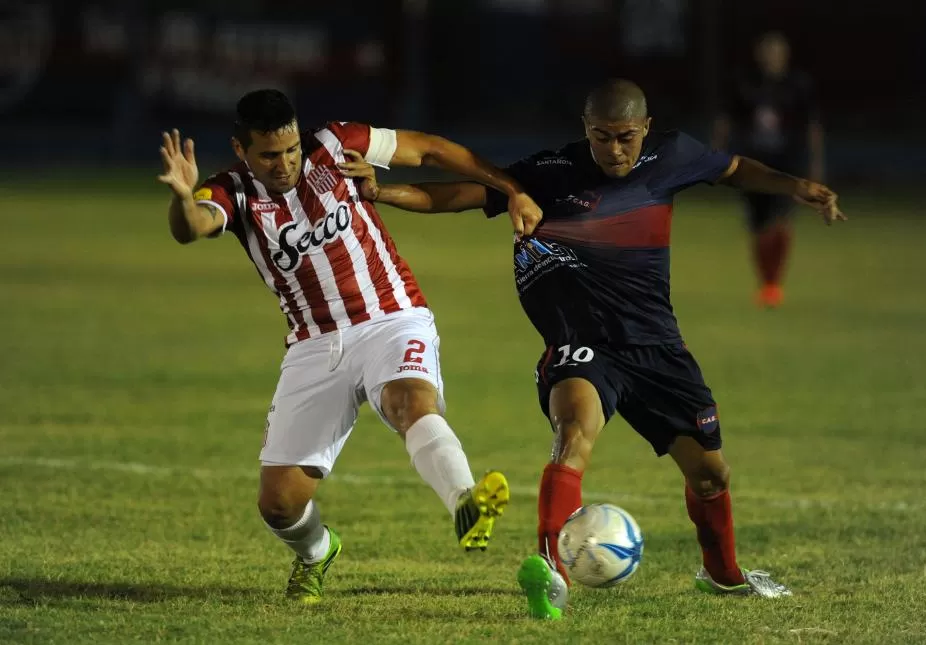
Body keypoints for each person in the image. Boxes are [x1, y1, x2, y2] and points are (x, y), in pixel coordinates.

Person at [338, 79, 845, 619]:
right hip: (580, 346)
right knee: (573, 434)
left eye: (625, 136)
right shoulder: (548, 173)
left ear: (645, 128)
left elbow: (733, 168)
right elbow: (456, 196)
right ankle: (549, 573)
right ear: (586, 129)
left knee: (711, 475)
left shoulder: (672, 156)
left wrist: (795, 187)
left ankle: (723, 575)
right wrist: (381, 192)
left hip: (657, 348)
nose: (614, 148)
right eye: (602, 136)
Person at [156, 89, 544, 605]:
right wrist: (184, 198)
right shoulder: (234, 190)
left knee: (409, 401)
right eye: (269, 154)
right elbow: (195, 227)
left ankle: (465, 504)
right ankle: (317, 552)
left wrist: (509, 186)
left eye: (290, 149)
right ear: (241, 149)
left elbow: (427, 150)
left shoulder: (337, 144)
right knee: (279, 505)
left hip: (392, 317)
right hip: (313, 346)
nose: (285, 162)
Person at [712, 32, 825, 308]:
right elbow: (726, 121)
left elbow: (812, 126)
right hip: (754, 163)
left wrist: (815, 162)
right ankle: (767, 282)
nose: (772, 57)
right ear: (759, 55)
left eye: (777, 52)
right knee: (759, 226)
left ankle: (774, 282)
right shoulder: (744, 84)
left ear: (785, 56)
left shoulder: (799, 85)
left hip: (788, 163)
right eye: (768, 52)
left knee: (781, 222)